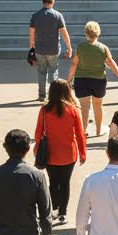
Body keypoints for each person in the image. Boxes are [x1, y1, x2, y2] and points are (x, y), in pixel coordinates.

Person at [35, 79, 87, 224]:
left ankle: (55, 209)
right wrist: (83, 152)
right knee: (65, 183)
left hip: (50, 154)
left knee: (53, 182)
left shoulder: (44, 110)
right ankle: (63, 213)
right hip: (69, 154)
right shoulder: (73, 110)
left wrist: (36, 149)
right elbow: (80, 133)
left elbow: (38, 133)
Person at [68, 20, 118, 137]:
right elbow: (111, 63)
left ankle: (83, 131)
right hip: (98, 81)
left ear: (86, 34)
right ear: (98, 34)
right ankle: (98, 130)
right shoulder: (103, 48)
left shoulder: (80, 47)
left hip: (81, 80)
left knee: (84, 107)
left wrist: (68, 81)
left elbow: (74, 64)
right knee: (98, 105)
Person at [29, 0, 72, 102]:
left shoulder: (35, 16)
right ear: (53, 2)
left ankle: (41, 95)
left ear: (43, 2)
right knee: (53, 71)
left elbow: (32, 33)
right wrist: (69, 47)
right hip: (53, 49)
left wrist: (31, 48)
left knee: (41, 72)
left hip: (39, 49)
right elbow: (64, 32)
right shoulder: (58, 15)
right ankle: (54, 96)